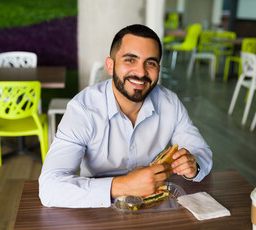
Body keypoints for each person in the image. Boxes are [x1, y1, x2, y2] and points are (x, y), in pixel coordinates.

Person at [39, 24, 212, 208]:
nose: (141, 72)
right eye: (130, 60)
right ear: (111, 66)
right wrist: (124, 185)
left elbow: (201, 151)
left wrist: (194, 166)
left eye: (150, 63)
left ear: (158, 70)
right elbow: (50, 187)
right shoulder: (83, 109)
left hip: (153, 208)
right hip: (97, 209)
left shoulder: (170, 103)